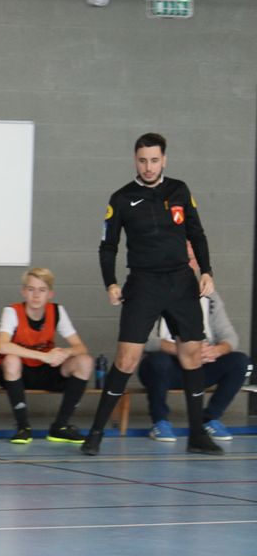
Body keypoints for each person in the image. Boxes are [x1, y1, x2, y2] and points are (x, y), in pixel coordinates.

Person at [81, 132, 222, 456]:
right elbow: (108, 246)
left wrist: (206, 271)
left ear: (164, 160)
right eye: (143, 160)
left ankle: (197, 435)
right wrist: (110, 283)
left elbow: (197, 233)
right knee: (126, 358)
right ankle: (96, 434)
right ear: (135, 160)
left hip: (181, 282)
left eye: (154, 160)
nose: (148, 167)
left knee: (192, 355)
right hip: (143, 283)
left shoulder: (180, 190)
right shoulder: (121, 198)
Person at [138, 245, 251, 442]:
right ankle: (160, 422)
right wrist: (185, 350)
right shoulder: (154, 293)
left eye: (190, 258)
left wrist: (217, 350)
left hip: (201, 365)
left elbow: (230, 338)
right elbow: (144, 340)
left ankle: (210, 419)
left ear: (197, 263)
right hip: (168, 367)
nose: (186, 262)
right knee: (157, 362)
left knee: (240, 362)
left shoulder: (210, 297)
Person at [0, 267, 93, 444]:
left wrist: (65, 352)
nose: (36, 295)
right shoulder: (12, 311)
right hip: (17, 372)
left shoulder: (57, 311)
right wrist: (43, 356)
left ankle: (60, 426)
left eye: (42, 290)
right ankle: (23, 428)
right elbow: (3, 346)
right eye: (31, 289)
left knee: (85, 361)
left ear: (50, 294)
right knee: (12, 360)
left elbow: (81, 347)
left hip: (44, 370)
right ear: (24, 292)